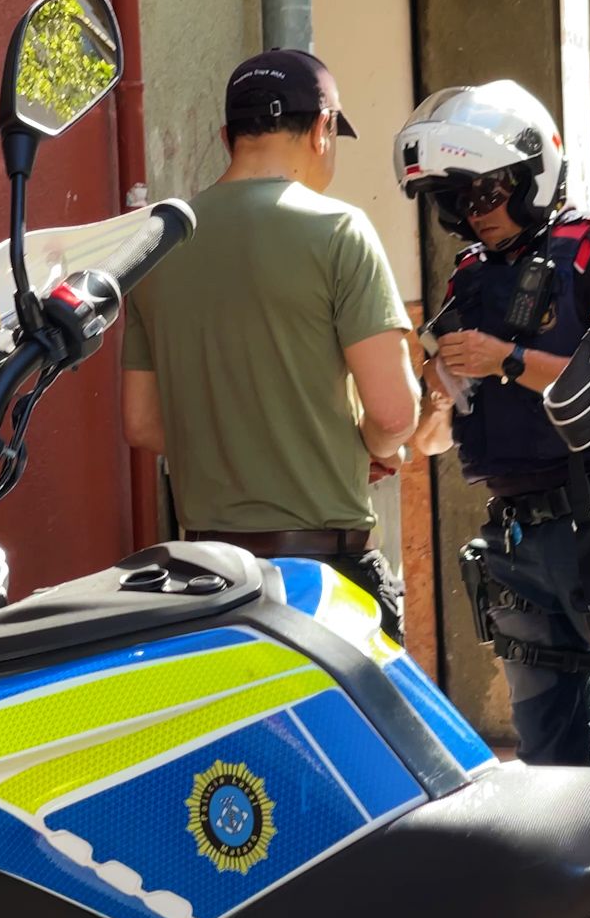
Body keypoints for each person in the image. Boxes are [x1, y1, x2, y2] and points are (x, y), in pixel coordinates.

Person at [395, 80, 590, 768]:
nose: (474, 214)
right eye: (457, 199)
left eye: (486, 192)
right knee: (549, 760)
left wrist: (506, 359)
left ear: (531, 171)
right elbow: (436, 439)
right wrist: (440, 395)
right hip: (517, 540)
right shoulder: (468, 279)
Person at [122, 49, 418, 640]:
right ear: (322, 129)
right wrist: (362, 448)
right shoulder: (339, 230)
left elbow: (143, 424)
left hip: (206, 582)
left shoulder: (155, 244)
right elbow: (394, 414)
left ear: (229, 135)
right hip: (324, 580)